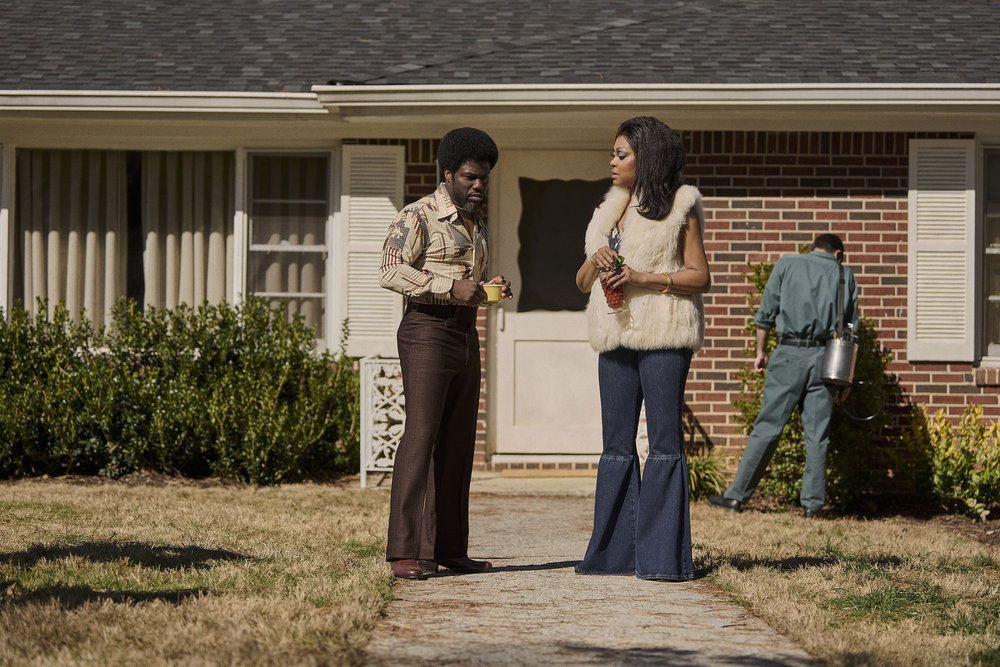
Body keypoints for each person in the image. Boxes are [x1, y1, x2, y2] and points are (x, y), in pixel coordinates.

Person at [574, 116, 711, 581]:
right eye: (613, 154)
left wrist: (640, 277)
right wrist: (596, 261)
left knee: (665, 443)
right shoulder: (608, 209)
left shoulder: (681, 206)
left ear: (646, 158)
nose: (611, 162)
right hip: (614, 334)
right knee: (616, 446)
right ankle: (613, 556)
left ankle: (660, 560)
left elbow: (700, 277)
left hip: (664, 336)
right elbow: (580, 282)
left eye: (621, 154)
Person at [378, 127, 511, 580]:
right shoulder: (417, 216)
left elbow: (465, 284)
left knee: (458, 444)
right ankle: (405, 551)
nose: (478, 186)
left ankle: (450, 549)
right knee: (421, 437)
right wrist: (449, 286)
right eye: (471, 177)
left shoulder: (478, 225)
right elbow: (390, 271)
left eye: (484, 179)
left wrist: (484, 290)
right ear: (448, 172)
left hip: (464, 334)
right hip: (425, 331)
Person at [708, 234, 859, 519]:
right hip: (825, 360)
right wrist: (846, 379)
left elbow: (765, 315)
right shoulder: (844, 274)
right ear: (837, 253)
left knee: (767, 427)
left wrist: (761, 352)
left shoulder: (787, 264)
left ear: (814, 247)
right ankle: (813, 506)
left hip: (788, 353)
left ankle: (736, 497)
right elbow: (851, 330)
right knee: (817, 435)